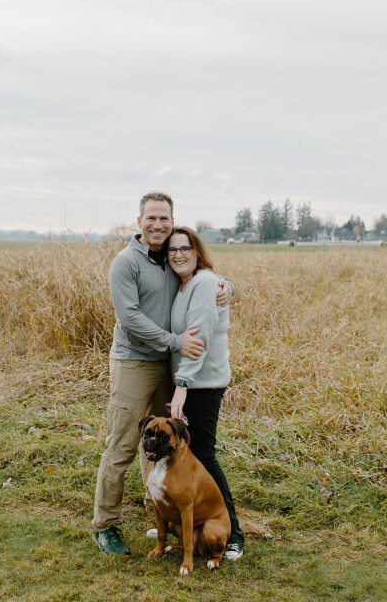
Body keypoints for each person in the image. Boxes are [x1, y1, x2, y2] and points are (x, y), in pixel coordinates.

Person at [92, 192, 234, 557]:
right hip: (134, 362)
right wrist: (175, 341)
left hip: (168, 365)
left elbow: (201, 275)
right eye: (151, 218)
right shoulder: (126, 263)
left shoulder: (171, 258)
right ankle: (105, 526)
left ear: (172, 222)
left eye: (164, 219)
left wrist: (228, 285)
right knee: (123, 444)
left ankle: (158, 508)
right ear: (139, 222)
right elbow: (130, 317)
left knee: (160, 442)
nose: (158, 225)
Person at [166, 226, 244, 560]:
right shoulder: (184, 284)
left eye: (185, 248)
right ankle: (185, 521)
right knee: (188, 455)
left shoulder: (204, 283)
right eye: (172, 250)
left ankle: (233, 533)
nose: (178, 255)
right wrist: (229, 283)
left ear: (197, 251)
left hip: (204, 383)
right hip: (190, 381)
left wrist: (181, 387)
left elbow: (198, 339)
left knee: (204, 455)